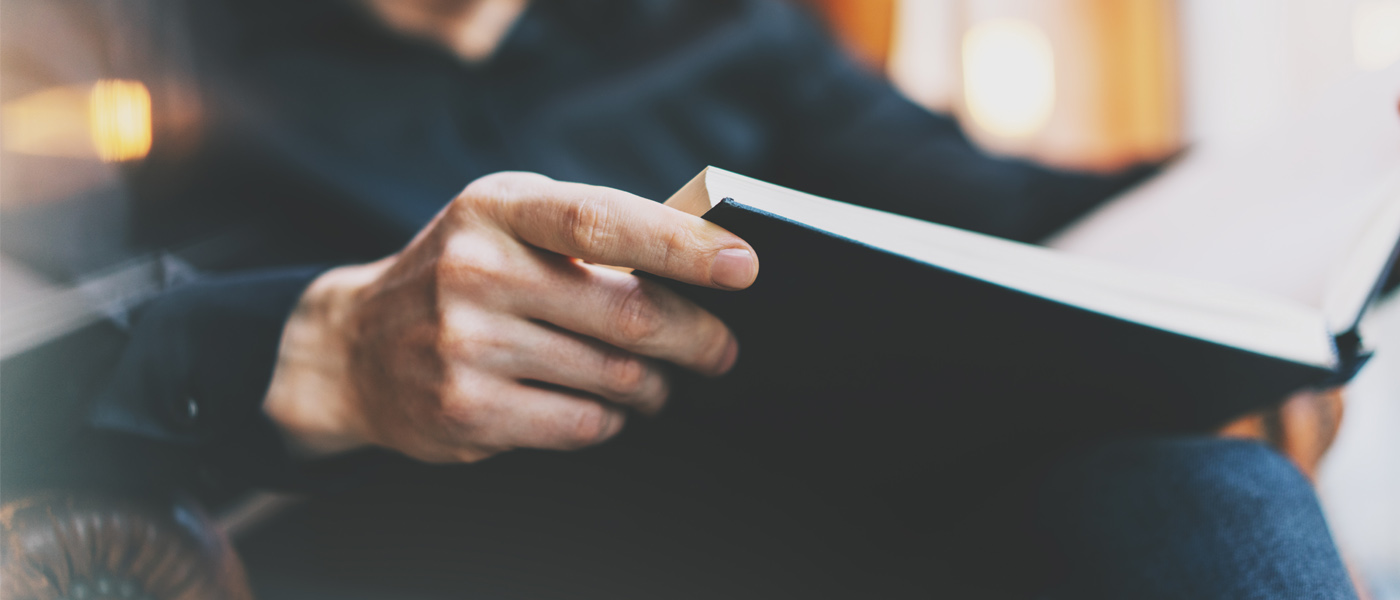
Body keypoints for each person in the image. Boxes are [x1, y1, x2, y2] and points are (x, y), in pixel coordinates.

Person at [0, 0, 1362, 598]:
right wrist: (329, 349)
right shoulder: (121, 48)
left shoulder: (716, 28)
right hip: (422, 565)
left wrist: (1318, 191)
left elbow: (1004, 212)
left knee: (1209, 495)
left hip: (818, 550)